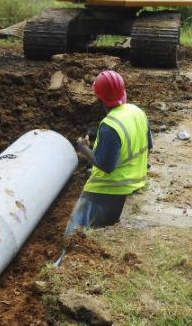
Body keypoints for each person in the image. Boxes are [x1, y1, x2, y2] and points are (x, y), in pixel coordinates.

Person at [65, 70, 152, 236]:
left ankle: (63, 258)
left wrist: (83, 148)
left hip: (107, 191)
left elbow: (106, 166)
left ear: (99, 98)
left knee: (73, 232)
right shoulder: (138, 112)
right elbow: (148, 146)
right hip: (135, 183)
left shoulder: (109, 126)